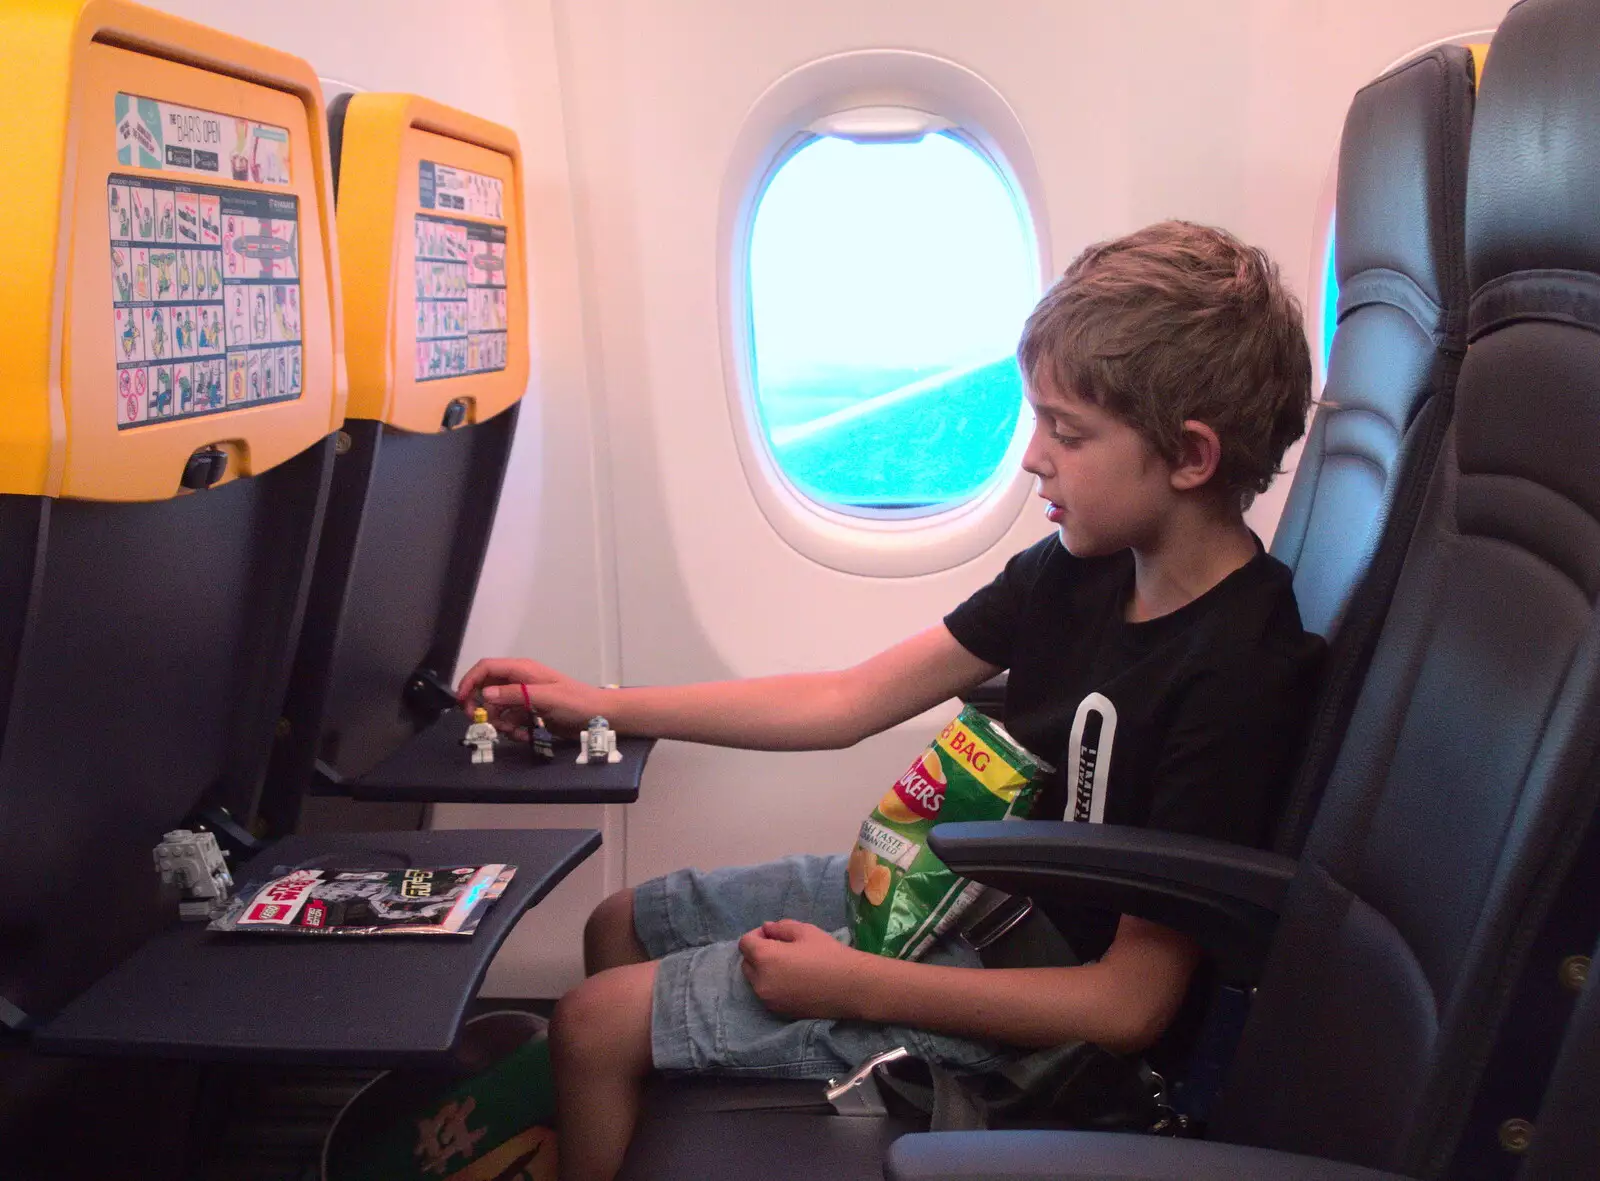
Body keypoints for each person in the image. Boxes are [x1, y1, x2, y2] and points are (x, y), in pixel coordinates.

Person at [456, 221, 1327, 1181]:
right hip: (967, 896)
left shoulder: (1240, 673)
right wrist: (603, 703)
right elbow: (846, 698)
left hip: (1046, 1014)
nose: (1032, 456)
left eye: (1067, 432)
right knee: (617, 923)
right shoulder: (1075, 570)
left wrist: (857, 986)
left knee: (589, 1022)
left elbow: (1130, 1005)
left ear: (1190, 457)